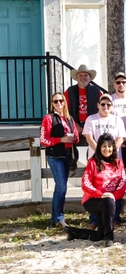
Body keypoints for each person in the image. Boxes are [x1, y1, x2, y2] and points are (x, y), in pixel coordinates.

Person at [65, 134, 126, 246]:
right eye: (104, 146)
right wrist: (100, 194)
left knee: (99, 236)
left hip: (110, 200)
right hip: (93, 200)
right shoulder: (93, 162)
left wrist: (114, 195)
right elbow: (86, 183)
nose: (107, 149)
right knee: (108, 202)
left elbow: (123, 182)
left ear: (113, 147)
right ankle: (109, 237)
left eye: (109, 146)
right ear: (99, 147)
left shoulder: (118, 163)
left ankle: (73, 232)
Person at [40, 92, 79, 227]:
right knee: (62, 187)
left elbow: (76, 135)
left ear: (65, 102)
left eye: (61, 101)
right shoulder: (48, 118)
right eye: (55, 101)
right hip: (55, 156)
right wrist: (60, 139)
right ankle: (59, 217)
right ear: (52, 104)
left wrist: (73, 137)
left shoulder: (69, 118)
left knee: (60, 187)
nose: (59, 104)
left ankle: (54, 218)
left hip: (68, 155)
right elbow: (43, 140)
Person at [65, 64, 101, 137]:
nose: (83, 77)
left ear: (89, 78)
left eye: (85, 75)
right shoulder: (70, 91)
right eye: (80, 75)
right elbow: (64, 110)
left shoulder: (97, 91)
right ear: (77, 77)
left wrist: (90, 126)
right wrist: (74, 124)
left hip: (93, 124)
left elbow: (102, 110)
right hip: (74, 124)